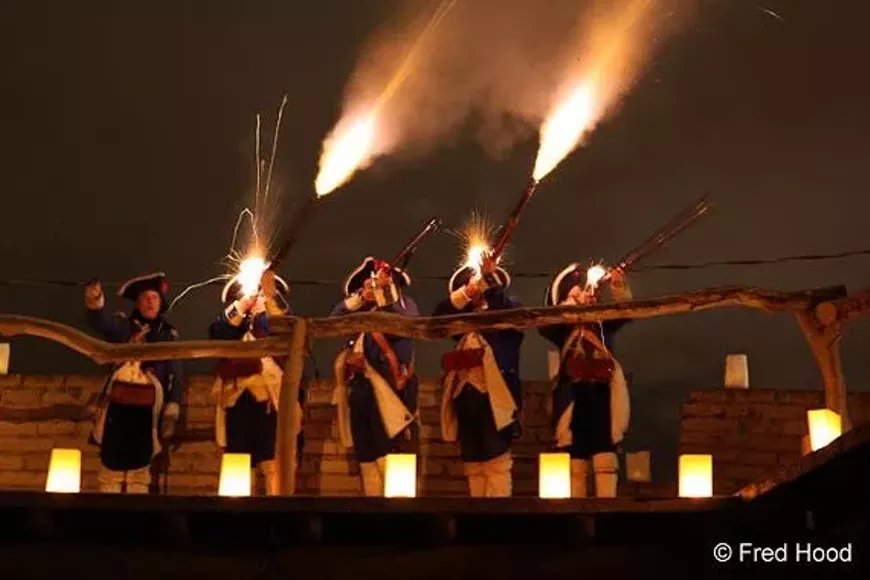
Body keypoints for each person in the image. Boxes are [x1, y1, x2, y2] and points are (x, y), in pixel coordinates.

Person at [538, 264, 634, 498]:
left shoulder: (602, 320)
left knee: (605, 450)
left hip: (603, 390)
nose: (583, 294)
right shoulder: (561, 327)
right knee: (575, 452)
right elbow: (546, 325)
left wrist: (618, 286)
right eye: (575, 292)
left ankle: (607, 508)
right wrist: (572, 307)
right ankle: (577, 510)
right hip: (573, 391)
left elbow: (625, 312)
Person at [432, 255, 523, 497]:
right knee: (473, 463)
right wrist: (466, 292)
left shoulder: (508, 306)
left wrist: (490, 279)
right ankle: (476, 520)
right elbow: (437, 319)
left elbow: (505, 311)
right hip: (466, 397)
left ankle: (497, 519)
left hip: (496, 396)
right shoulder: (461, 320)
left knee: (496, 462)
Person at [85, 273, 184, 494]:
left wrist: (173, 406)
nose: (150, 301)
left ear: (160, 303)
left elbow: (175, 373)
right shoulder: (122, 326)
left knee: (141, 464)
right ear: (137, 303)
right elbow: (100, 322)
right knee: (111, 461)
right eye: (146, 298)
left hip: (149, 407)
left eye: (154, 298)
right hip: (118, 404)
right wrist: (96, 299)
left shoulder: (168, 335)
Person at [209, 269, 305, 496]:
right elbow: (218, 331)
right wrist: (243, 305)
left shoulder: (275, 323)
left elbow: (290, 325)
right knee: (237, 463)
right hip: (237, 402)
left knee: (273, 463)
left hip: (271, 403)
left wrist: (270, 297)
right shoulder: (232, 325)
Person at [331, 257, 419, 497]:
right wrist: (360, 298)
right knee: (367, 458)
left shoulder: (402, 305)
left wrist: (385, 294)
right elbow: (334, 319)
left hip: (390, 389)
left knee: (390, 456)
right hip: (361, 389)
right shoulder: (359, 312)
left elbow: (404, 323)